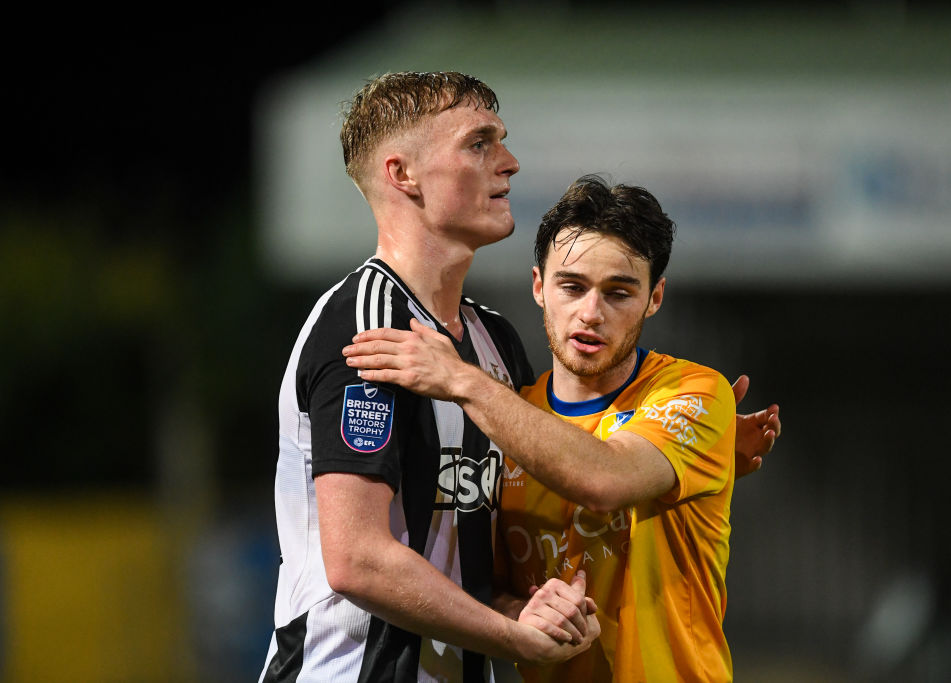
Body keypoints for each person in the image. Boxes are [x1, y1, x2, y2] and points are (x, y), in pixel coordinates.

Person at [344, 174, 781, 682]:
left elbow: (605, 482)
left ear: (655, 298)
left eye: (619, 292)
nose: (590, 314)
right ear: (538, 286)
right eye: (571, 287)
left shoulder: (696, 393)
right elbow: (491, 586)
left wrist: (461, 380)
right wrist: (521, 616)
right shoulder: (513, 419)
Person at [259, 71, 601, 683]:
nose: (510, 163)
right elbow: (358, 560)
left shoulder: (494, 339)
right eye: (479, 143)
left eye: (501, 140)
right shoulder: (367, 322)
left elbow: (475, 563)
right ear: (402, 175)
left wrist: (528, 609)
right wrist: (511, 637)